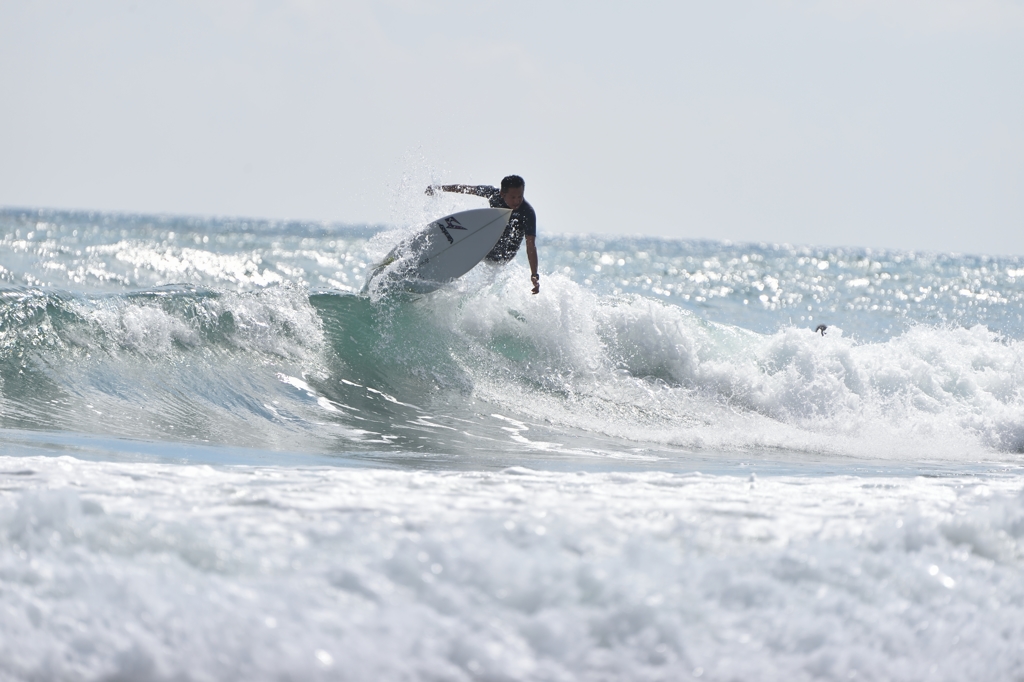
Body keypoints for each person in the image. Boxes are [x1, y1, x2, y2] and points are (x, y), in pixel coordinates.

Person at [425, 175, 540, 294]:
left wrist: (534, 275)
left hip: (503, 254)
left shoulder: (527, 213)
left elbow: (530, 244)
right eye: (513, 197)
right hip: (485, 244)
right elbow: (466, 189)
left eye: (520, 196)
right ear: (502, 194)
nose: (517, 201)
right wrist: (440, 188)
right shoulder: (493, 193)